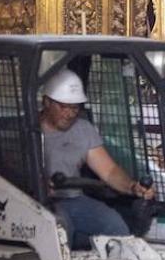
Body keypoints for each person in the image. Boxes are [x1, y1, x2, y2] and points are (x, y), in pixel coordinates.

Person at [39, 68, 154, 249]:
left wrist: (133, 187)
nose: (70, 114)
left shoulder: (83, 129)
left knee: (115, 227)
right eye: (64, 107)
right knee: (60, 230)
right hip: (38, 203)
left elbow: (109, 171)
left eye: (75, 108)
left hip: (74, 199)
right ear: (46, 102)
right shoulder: (28, 129)